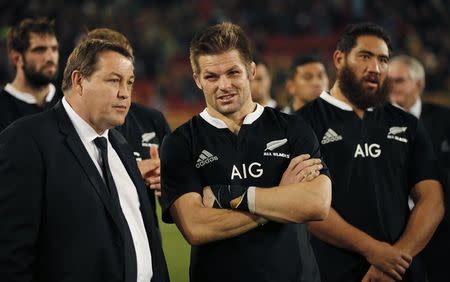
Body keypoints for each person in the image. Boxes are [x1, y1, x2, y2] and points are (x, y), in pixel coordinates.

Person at [160, 22, 332, 282]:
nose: (224, 85)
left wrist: (228, 196)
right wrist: (281, 198)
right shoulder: (180, 142)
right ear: (197, 80)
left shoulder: (292, 128)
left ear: (251, 71)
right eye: (211, 77)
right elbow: (196, 226)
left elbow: (316, 204)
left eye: (233, 73)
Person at [0, 38, 169, 282]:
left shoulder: (119, 145)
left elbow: (147, 239)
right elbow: (10, 256)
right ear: (79, 81)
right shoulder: (26, 140)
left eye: (129, 82)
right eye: (114, 81)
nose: (125, 93)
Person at [297, 23, 444, 282]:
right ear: (339, 59)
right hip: (331, 272)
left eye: (383, 60)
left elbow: (432, 201)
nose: (375, 68)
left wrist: (393, 259)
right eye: (365, 57)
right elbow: (308, 207)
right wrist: (374, 250)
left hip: (400, 271)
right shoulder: (303, 124)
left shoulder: (407, 124)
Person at [83, 28, 171, 226]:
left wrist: (167, 184)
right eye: (113, 76)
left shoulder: (152, 120)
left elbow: (172, 204)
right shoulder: (68, 127)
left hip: (146, 245)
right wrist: (131, 171)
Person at [388, 55, 450, 282]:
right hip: (393, 234)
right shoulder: (373, 123)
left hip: (441, 233)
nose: (392, 86)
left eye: (399, 80)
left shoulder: (445, 120)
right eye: (388, 81)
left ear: (419, 84)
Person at [0, 17, 61, 132]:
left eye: (54, 49)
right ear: (17, 58)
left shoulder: (70, 102)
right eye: (39, 49)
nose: (50, 57)